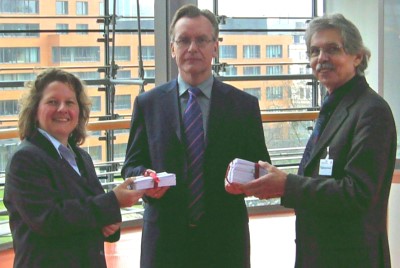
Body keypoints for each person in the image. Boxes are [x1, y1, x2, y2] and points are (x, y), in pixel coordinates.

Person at [227, 14, 397, 268]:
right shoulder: (334, 107)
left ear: (357, 56)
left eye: (332, 49)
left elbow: (357, 193)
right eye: (314, 51)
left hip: (351, 258)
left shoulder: (371, 111)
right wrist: (273, 184)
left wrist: (287, 185)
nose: (321, 58)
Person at [121, 4, 270, 268]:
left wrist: (247, 181)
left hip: (225, 240)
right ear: (172, 48)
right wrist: (144, 178)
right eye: (184, 40)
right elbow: (130, 166)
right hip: (165, 240)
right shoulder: (147, 104)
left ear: (215, 47)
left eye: (201, 40)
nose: (192, 48)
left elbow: (261, 167)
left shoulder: (244, 105)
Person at [4, 68, 145, 268]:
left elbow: (95, 209)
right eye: (52, 102)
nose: (62, 108)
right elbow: (50, 219)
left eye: (70, 102)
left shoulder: (82, 157)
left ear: (79, 111)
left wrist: (110, 222)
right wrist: (113, 201)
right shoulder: (25, 159)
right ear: (35, 111)